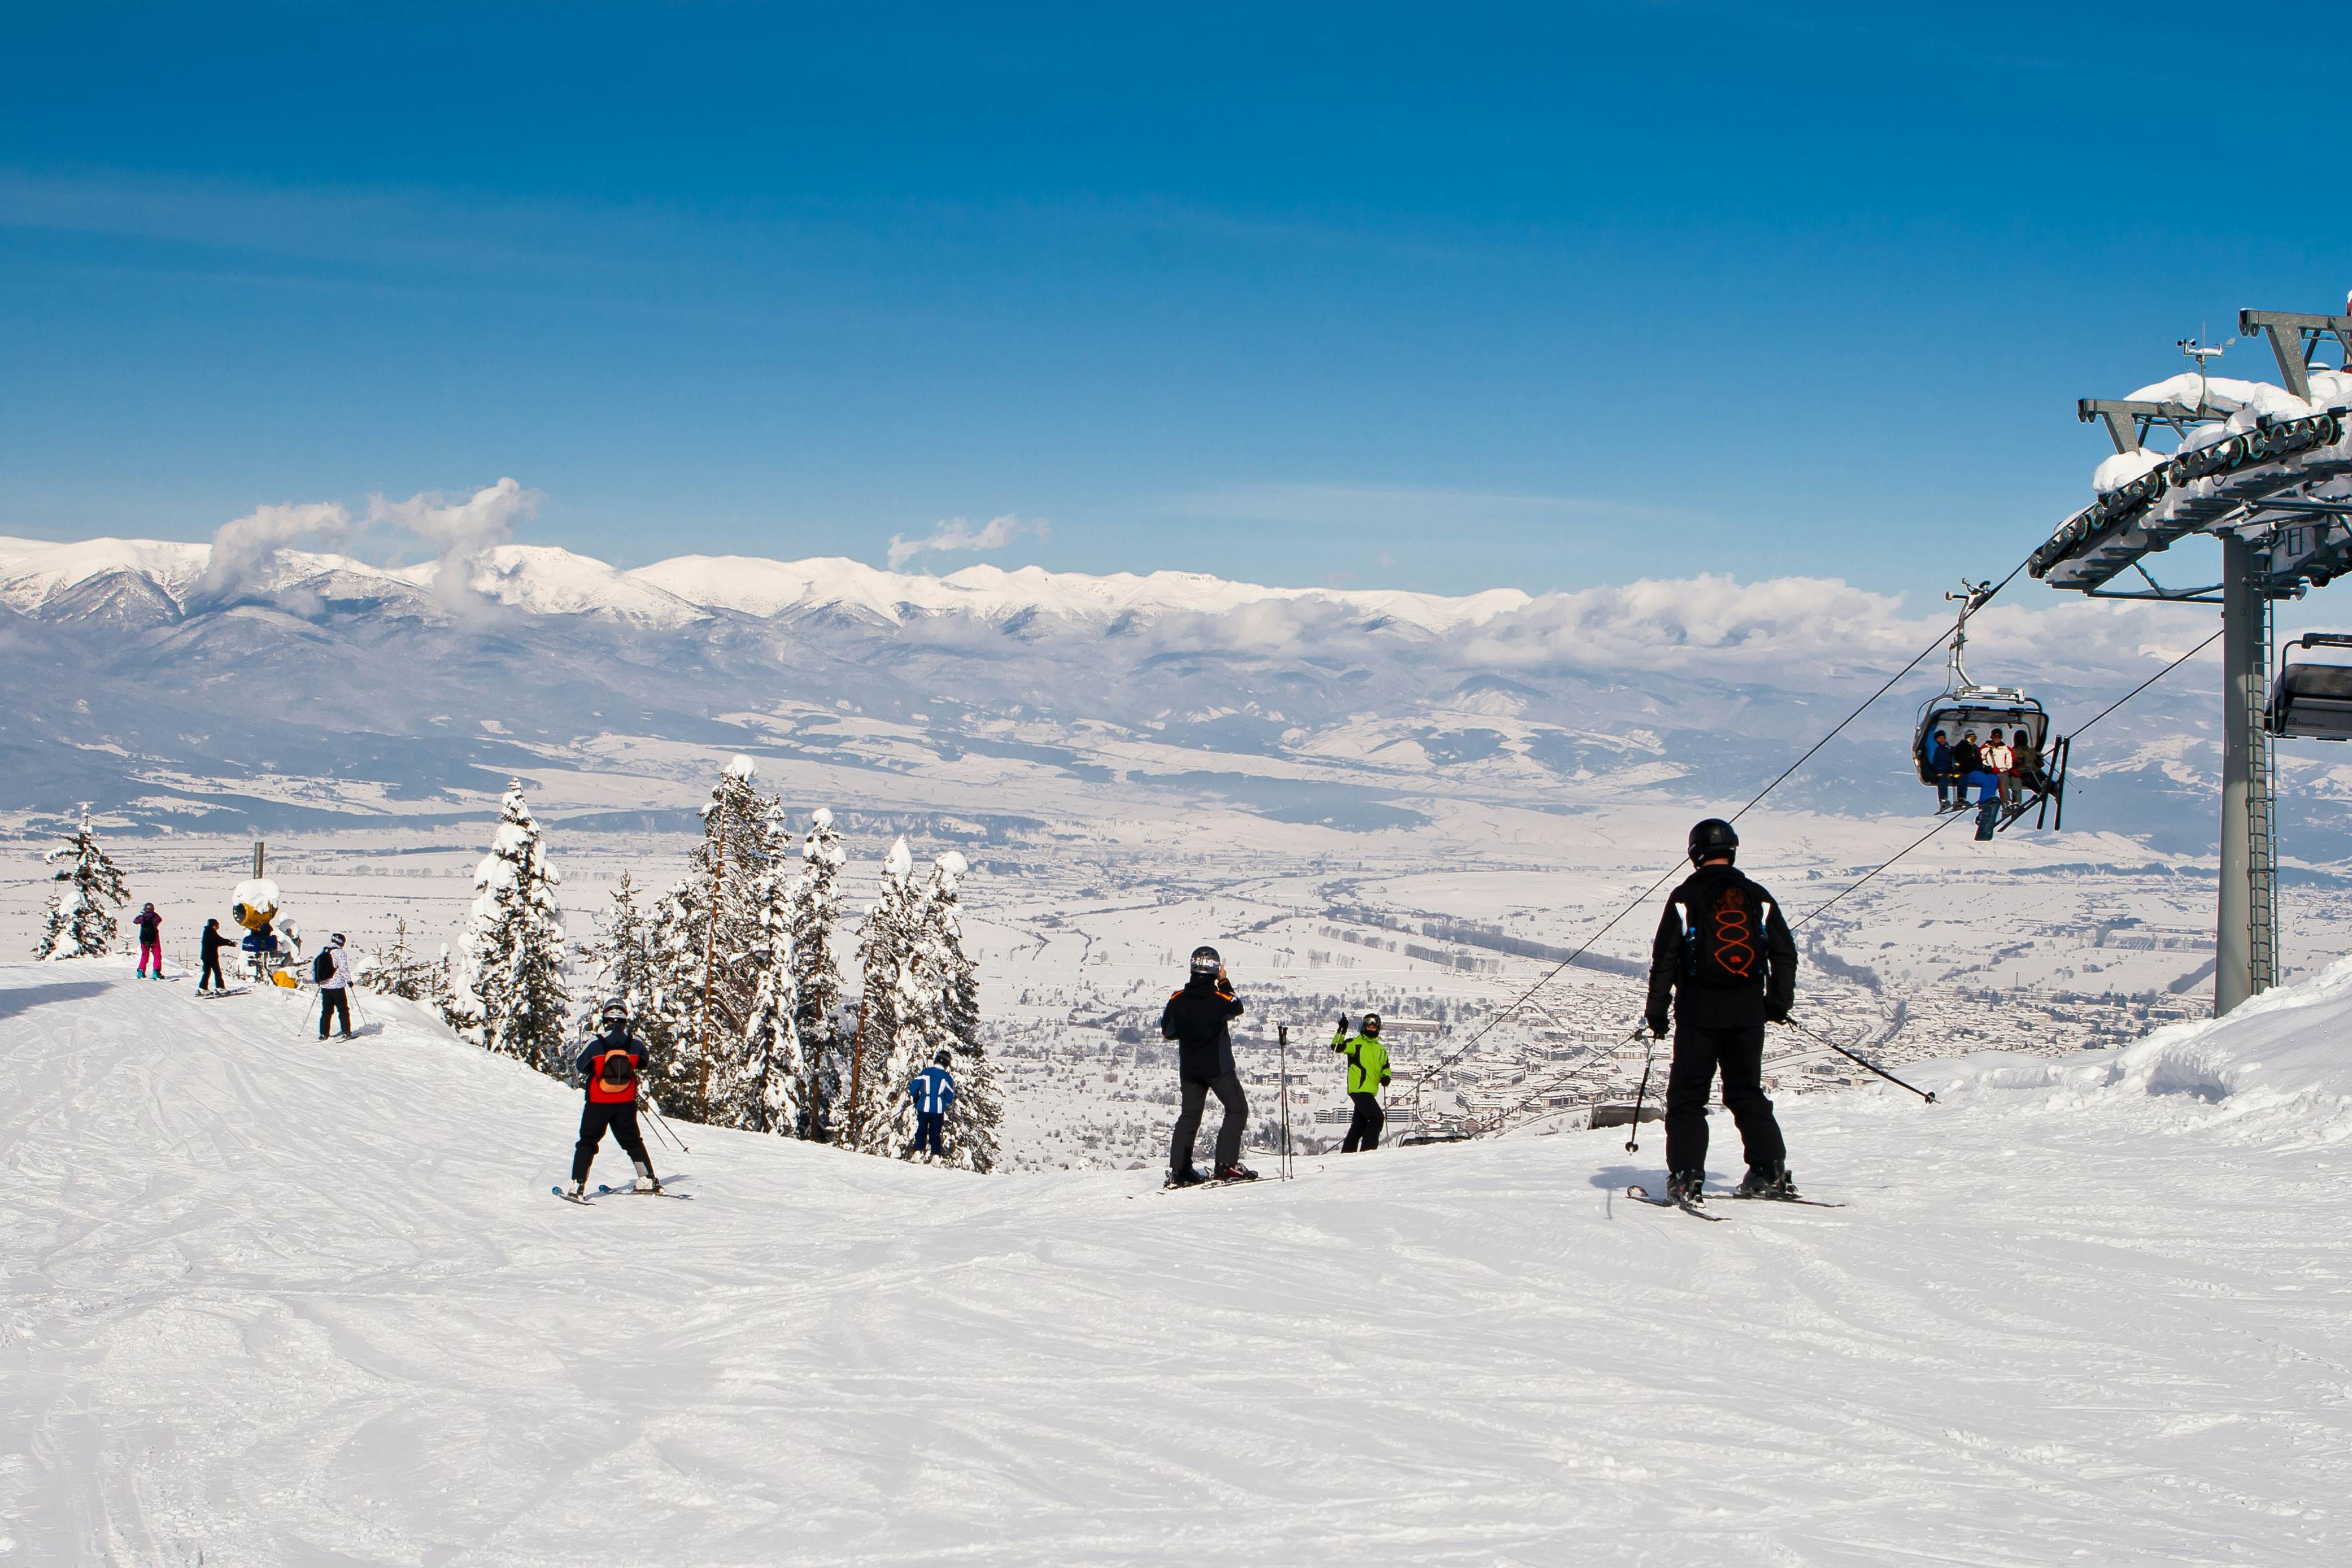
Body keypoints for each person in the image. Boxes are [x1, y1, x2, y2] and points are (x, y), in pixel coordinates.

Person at [1643, 818, 1799, 1205]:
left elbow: (1665, 960)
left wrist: (1657, 1014)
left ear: (1695, 854)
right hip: (1748, 1012)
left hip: (1698, 1013)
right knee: (1747, 1093)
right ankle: (1770, 1171)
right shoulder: (1758, 897)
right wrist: (1777, 1005)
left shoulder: (1684, 899)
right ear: (1732, 850)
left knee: (1688, 1098)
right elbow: (1784, 954)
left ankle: (1686, 1177)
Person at [1161, 944, 1254, 1185]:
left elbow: (1168, 1032)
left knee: (1189, 1116)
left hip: (1190, 1068)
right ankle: (1226, 1165)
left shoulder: (1177, 999)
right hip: (1217, 1067)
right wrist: (1224, 981)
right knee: (1237, 1109)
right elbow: (1237, 1006)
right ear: (1215, 969)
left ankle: (1180, 1170)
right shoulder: (1220, 998)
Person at [568, 1000, 660, 1198]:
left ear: (606, 1018)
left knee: (588, 1142)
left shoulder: (595, 1042)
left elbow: (581, 1066)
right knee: (633, 1141)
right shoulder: (635, 1043)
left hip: (598, 1103)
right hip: (625, 1103)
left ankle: (578, 1185)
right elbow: (644, 1062)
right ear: (625, 1019)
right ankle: (647, 1178)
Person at [1331, 1011, 1392, 1152]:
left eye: (1374, 1027)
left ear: (1378, 1029)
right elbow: (1336, 1047)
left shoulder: (1381, 1049)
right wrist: (1342, 1030)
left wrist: (1386, 1076)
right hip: (1359, 1089)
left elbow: (1385, 1067)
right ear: (1364, 1027)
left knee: (1359, 1126)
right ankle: (1368, 1152)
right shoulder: (1356, 1044)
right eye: (1369, 1026)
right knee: (1377, 1119)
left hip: (1370, 1091)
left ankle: (1347, 1153)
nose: (1371, 1029)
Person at [907, 1050, 956, 1161]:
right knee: (935, 1133)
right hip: (938, 1110)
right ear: (947, 1064)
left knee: (922, 1130)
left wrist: (917, 1098)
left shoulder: (925, 1072)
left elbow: (913, 1088)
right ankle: (936, 1155)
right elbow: (949, 1098)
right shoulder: (947, 1078)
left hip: (923, 1106)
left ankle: (918, 1152)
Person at [316, 932, 355, 1040]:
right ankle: (346, 1031)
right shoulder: (340, 953)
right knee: (343, 1009)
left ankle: (324, 1034)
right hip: (337, 986)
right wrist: (349, 981)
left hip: (325, 986)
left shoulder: (325, 951)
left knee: (326, 1011)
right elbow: (344, 968)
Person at [1985, 728, 2022, 810]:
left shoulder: (2007, 748)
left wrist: (2013, 769)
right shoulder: (1985, 748)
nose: (1997, 738)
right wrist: (1990, 768)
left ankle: (2017, 803)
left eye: (1999, 737)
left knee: (2016, 780)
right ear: (1992, 737)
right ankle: (2006, 803)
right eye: (1995, 736)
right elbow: (1983, 761)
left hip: (2006, 770)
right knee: (2003, 779)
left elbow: (2013, 760)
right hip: (1994, 771)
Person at [1949, 732, 1984, 813]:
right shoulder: (1961, 747)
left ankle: (1984, 800)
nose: (1972, 741)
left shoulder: (1975, 748)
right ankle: (1961, 799)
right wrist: (1971, 764)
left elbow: (1979, 761)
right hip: (1961, 770)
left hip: (1972, 771)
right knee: (1962, 778)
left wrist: (1979, 767)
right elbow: (1960, 759)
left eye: (1974, 739)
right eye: (1970, 739)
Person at [1924, 729, 1955, 810]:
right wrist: (1933, 723)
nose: (1942, 740)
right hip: (1936, 770)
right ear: (1936, 739)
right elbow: (1929, 736)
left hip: (1948, 770)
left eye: (1943, 738)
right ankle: (1943, 799)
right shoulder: (1934, 747)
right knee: (1943, 777)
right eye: (1940, 738)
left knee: (1961, 777)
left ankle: (1961, 799)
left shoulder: (1948, 749)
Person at [198, 917, 230, 994]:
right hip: (211, 957)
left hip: (207, 956)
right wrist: (229, 942)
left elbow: (217, 942)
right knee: (217, 972)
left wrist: (229, 943)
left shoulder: (208, 931)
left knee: (207, 973)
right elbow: (219, 940)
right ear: (213, 925)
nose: (217, 928)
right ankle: (220, 988)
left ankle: (203, 989)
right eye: (217, 926)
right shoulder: (210, 932)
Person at [134, 903, 164, 978]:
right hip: (154, 938)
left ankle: (140, 972)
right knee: (157, 955)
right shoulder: (155, 917)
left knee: (145, 955)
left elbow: (135, 921)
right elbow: (160, 920)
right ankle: (156, 973)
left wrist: (142, 914)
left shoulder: (142, 917)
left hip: (144, 938)